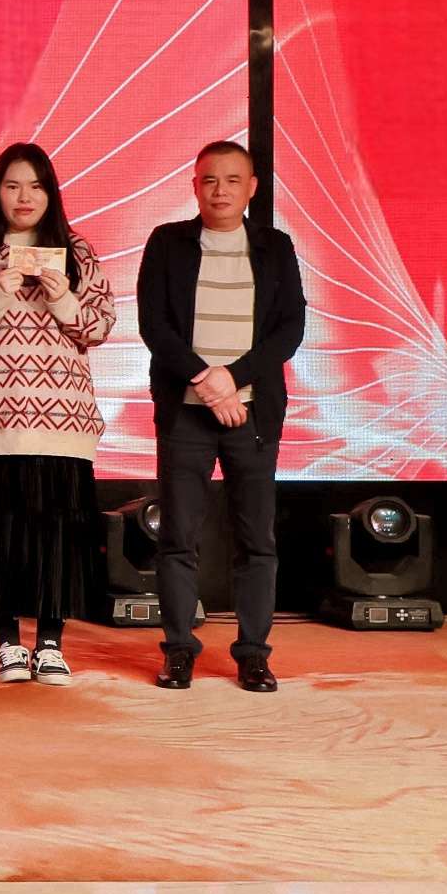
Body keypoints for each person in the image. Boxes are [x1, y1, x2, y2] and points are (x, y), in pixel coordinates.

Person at [138, 140, 307, 692]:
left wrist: (232, 378)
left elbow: (290, 328)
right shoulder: (167, 243)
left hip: (253, 414)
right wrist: (205, 382)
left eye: (233, 180)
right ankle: (179, 650)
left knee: (256, 540)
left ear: (251, 187)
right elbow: (154, 326)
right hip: (184, 414)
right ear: (195, 186)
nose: (220, 190)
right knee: (177, 538)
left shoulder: (276, 247)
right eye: (209, 180)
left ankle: (253, 653)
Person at [0, 141, 116, 686]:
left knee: (56, 536)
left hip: (63, 420)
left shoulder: (76, 250)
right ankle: (7, 645)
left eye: (36, 186)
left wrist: (63, 296)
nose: (24, 197)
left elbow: (98, 326)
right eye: (13, 185)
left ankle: (49, 644)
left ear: (51, 193)